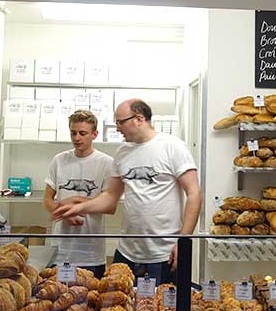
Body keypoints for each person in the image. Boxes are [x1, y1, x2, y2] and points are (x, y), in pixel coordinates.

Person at [53, 99, 202, 284]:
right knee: (119, 307)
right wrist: (80, 207)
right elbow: (110, 197)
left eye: (120, 122)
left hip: (164, 253)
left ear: (139, 118)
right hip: (126, 252)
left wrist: (184, 241)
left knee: (162, 310)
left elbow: (194, 193)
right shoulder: (122, 152)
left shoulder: (173, 146)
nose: (117, 128)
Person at [43, 110, 114, 279]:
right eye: (73, 133)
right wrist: (63, 213)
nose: (77, 138)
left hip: (91, 253)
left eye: (82, 133)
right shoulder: (59, 160)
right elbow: (47, 199)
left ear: (94, 134)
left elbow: (109, 206)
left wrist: (75, 202)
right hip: (61, 250)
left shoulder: (107, 163)